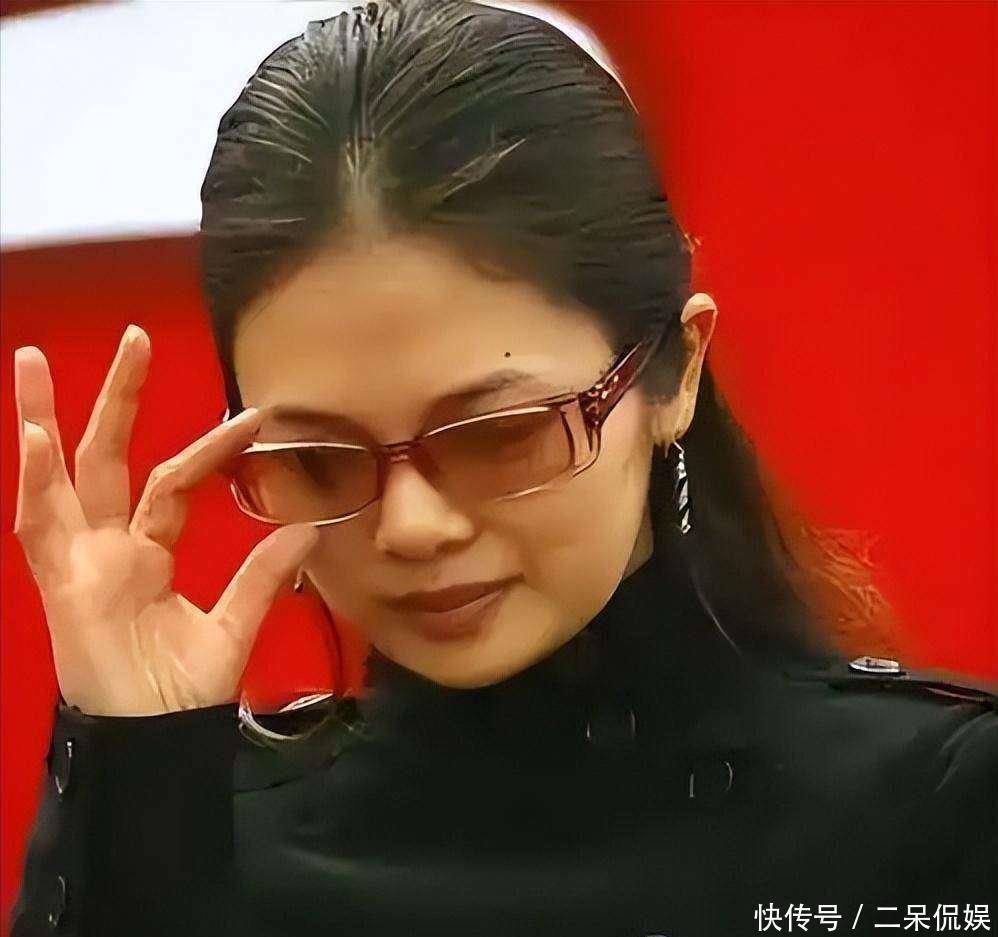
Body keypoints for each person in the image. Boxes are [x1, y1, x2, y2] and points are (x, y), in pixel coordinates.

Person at [8, 2, 996, 935]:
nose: (411, 527)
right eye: (319, 460)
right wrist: (128, 785)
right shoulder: (196, 842)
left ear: (675, 371)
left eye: (497, 435)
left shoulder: (934, 812)